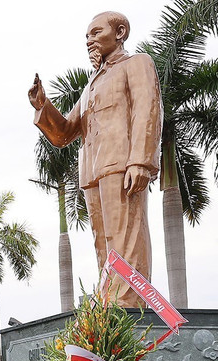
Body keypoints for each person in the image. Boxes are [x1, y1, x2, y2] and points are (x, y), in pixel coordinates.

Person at [29, 11, 162, 309]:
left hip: (123, 164)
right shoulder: (91, 86)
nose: (89, 40)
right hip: (92, 172)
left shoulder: (136, 64)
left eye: (96, 32)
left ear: (120, 32)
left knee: (126, 239)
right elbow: (65, 132)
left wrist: (140, 161)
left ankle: (128, 306)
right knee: (103, 244)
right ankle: (108, 302)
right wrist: (42, 106)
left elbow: (148, 110)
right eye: (86, 36)